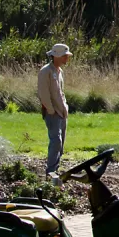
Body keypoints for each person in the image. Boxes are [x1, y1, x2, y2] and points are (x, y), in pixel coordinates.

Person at [37, 43, 70, 177]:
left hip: (62, 112)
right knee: (56, 141)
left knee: (61, 143)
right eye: (64, 56)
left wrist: (64, 108)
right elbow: (43, 93)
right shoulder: (45, 71)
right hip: (53, 113)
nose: (67, 58)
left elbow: (61, 92)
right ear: (56, 56)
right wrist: (51, 110)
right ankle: (50, 171)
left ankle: (56, 168)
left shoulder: (59, 71)